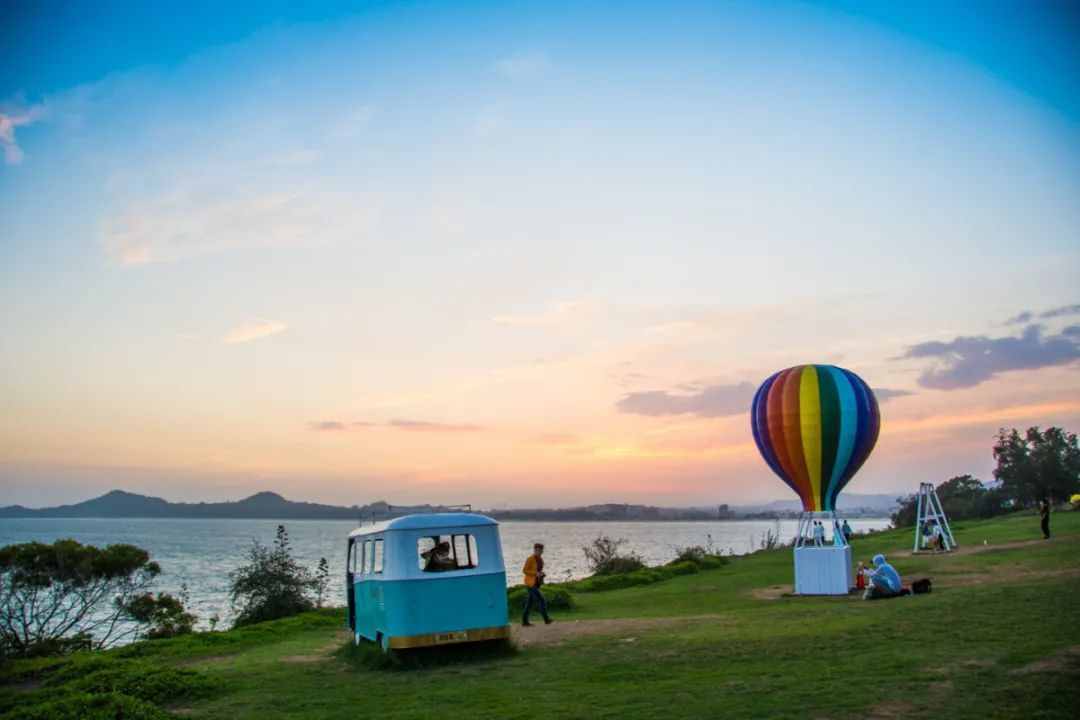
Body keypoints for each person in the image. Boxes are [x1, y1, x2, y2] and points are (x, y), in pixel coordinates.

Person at [521, 543, 552, 626]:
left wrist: (541, 574)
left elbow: (538, 570)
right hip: (530, 584)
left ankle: (524, 621)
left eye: (541, 550)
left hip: (536, 583)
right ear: (534, 550)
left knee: (529, 603)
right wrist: (535, 573)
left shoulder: (540, 559)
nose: (540, 551)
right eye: (538, 550)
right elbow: (524, 570)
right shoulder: (530, 559)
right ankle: (546, 619)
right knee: (541, 600)